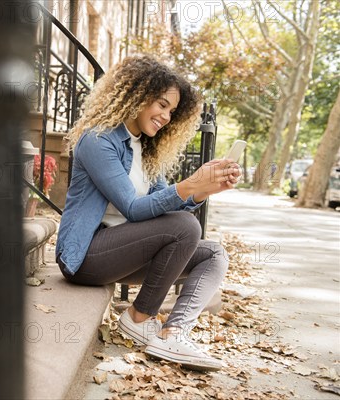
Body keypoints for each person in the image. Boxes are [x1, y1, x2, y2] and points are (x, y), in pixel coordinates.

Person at [55, 55, 241, 371]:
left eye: (172, 111)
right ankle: (140, 318)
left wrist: (203, 189)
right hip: (86, 255)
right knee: (185, 226)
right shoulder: (98, 140)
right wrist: (189, 185)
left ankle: (173, 331)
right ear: (137, 96)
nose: (166, 116)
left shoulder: (146, 148)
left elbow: (161, 207)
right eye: (161, 104)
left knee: (213, 254)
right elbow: (134, 208)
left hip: (124, 252)